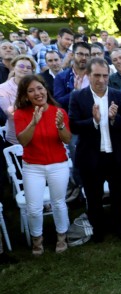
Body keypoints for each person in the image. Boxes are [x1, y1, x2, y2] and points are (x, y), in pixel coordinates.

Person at [68, 58, 121, 241]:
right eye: (97, 75)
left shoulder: (119, 96)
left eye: (105, 75)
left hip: (115, 155)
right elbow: (73, 126)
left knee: (118, 195)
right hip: (91, 156)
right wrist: (93, 122)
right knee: (93, 196)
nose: (101, 80)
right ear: (88, 75)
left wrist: (114, 119)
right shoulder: (78, 96)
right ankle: (98, 231)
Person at [14, 74, 72, 255]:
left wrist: (61, 127)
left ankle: (62, 237)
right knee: (33, 208)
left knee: (58, 203)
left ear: (46, 89)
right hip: (33, 167)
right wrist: (33, 123)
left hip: (58, 165)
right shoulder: (20, 114)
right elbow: (23, 141)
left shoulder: (59, 112)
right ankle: (37, 240)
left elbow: (68, 140)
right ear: (25, 96)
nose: (37, 93)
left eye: (39, 88)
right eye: (31, 91)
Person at [0, 55, 36, 146]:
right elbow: (8, 113)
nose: (25, 69)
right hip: (15, 139)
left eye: (28, 67)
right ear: (13, 68)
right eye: (21, 66)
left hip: (38, 136)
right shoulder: (3, 88)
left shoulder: (37, 87)